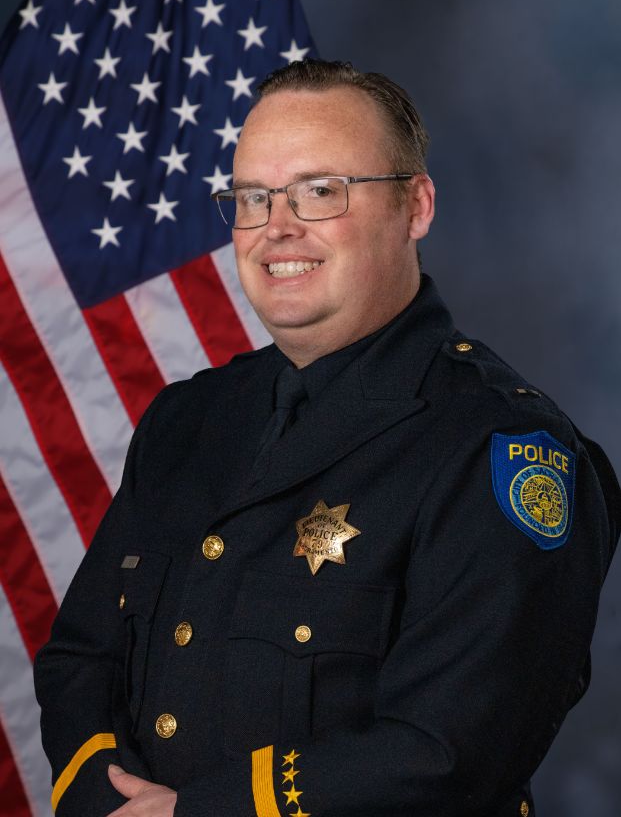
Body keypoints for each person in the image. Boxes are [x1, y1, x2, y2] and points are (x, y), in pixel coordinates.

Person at [34, 59, 620, 817]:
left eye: (320, 191)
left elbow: (448, 755)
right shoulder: (187, 422)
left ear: (415, 206)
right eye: (252, 197)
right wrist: (102, 797)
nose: (277, 228)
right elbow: (81, 657)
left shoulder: (499, 449)